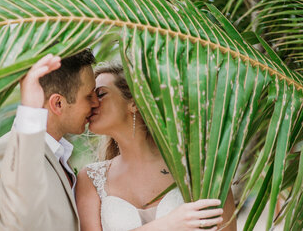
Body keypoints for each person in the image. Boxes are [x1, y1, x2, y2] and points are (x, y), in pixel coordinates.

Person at [76, 63, 237, 231]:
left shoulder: (198, 167)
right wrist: (168, 225)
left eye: (100, 94)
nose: (93, 103)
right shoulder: (91, 179)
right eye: (89, 97)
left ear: (135, 103)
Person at [0, 50, 99, 231]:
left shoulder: (58, 155)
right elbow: (17, 223)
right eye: (89, 96)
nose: (96, 103)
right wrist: (30, 111)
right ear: (58, 103)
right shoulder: (6, 151)